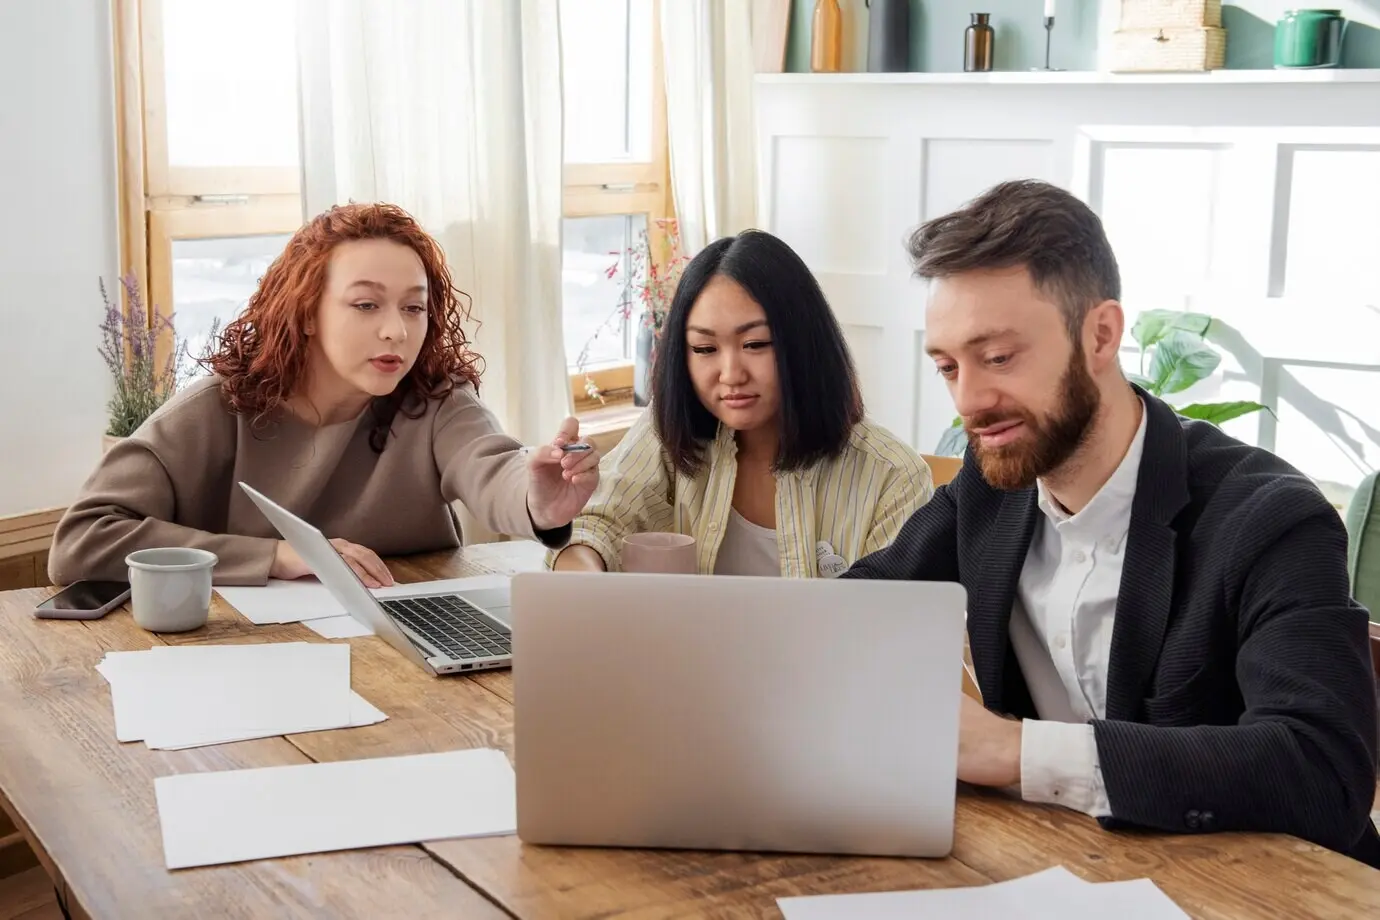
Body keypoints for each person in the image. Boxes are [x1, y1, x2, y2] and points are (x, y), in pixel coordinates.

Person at [841, 179, 1380, 868]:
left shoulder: (1270, 518)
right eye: (948, 367)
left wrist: (1009, 750)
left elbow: (1322, 770)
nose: (969, 401)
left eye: (999, 357)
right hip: (1070, 869)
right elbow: (855, 611)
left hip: (1264, 891)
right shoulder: (991, 488)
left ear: (1100, 335)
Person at [49, 202, 599, 588]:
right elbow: (81, 541)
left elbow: (493, 469)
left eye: (413, 307)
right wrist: (276, 557)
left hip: (406, 657)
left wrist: (539, 502)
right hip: (243, 662)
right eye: (366, 305)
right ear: (307, 312)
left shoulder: (435, 402)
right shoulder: (218, 411)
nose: (397, 332)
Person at [551, 229, 932, 577]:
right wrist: (584, 577)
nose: (731, 373)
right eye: (704, 348)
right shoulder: (668, 433)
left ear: (803, 343)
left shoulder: (892, 476)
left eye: (755, 344)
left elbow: (890, 627)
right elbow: (597, 523)